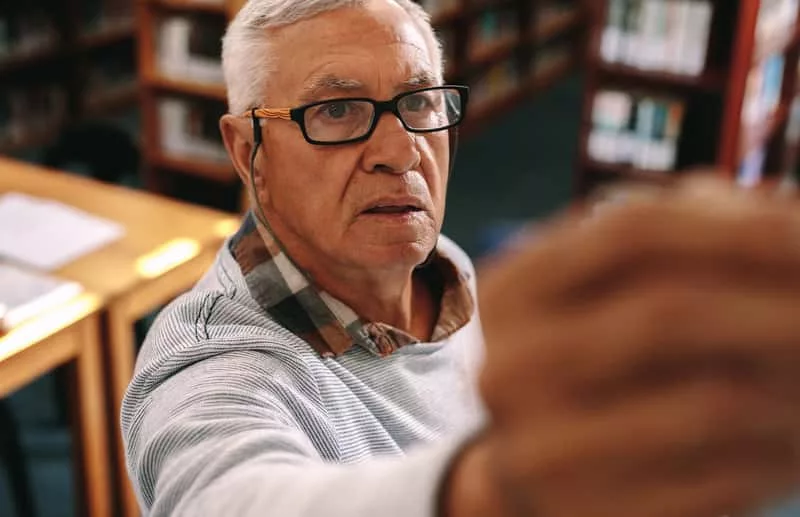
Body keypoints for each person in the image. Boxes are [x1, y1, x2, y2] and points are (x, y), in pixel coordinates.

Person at [121, 0, 800, 515]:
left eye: (418, 101)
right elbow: (238, 496)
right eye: (336, 110)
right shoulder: (207, 366)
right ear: (248, 153)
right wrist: (502, 485)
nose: (400, 149)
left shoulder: (444, 266)